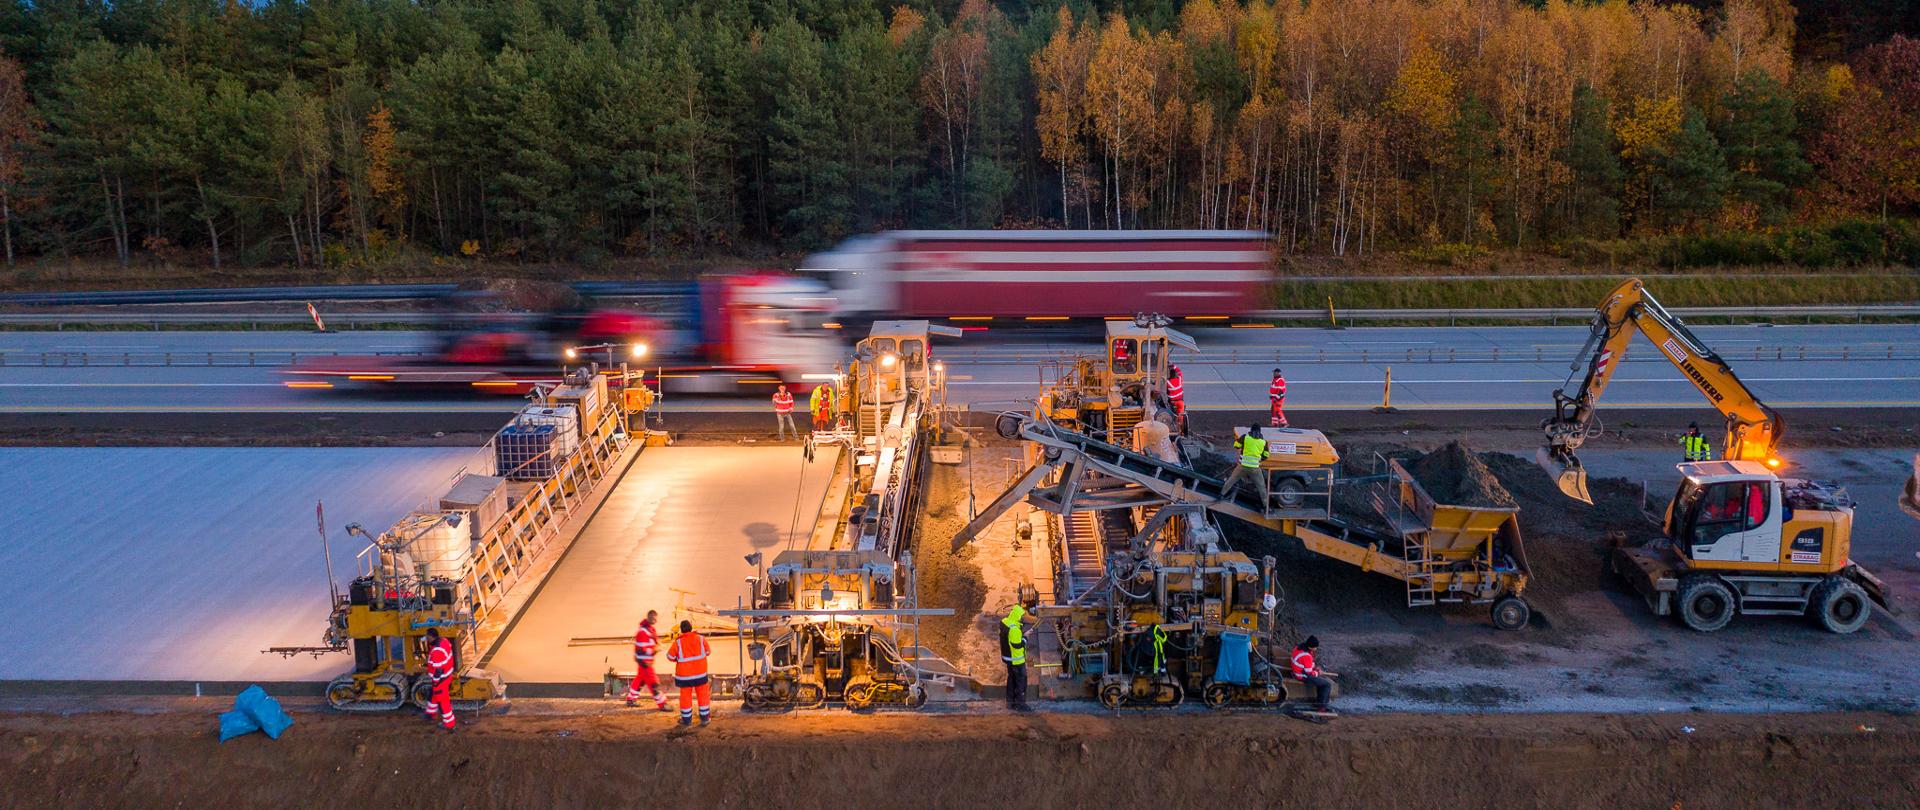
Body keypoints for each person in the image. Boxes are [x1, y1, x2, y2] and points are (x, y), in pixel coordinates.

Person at [666, 620, 713, 726]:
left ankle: (687, 720)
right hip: (700, 675)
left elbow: (670, 656)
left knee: (685, 697)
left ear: (681, 630)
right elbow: (708, 652)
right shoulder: (701, 639)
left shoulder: (678, 642)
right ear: (691, 628)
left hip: (685, 677)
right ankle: (705, 719)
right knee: (703, 695)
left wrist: (677, 659)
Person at [624, 610, 669, 711]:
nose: (655, 621)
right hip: (645, 662)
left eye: (656, 619)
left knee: (639, 680)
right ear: (649, 617)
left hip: (644, 661)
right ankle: (663, 704)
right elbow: (642, 650)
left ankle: (631, 699)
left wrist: (659, 645)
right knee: (654, 683)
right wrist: (655, 650)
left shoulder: (649, 629)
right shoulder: (644, 632)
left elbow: (652, 642)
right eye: (653, 618)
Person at [1220, 424, 1268, 502]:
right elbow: (1266, 455)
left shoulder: (1245, 437)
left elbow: (1236, 446)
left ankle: (1221, 495)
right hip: (1255, 469)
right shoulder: (1263, 442)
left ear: (1251, 430)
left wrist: (1243, 446)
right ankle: (1266, 506)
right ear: (1260, 431)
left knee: (1231, 480)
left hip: (1242, 466)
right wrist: (1259, 460)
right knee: (1261, 487)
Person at [422, 628, 457, 732]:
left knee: (443, 702)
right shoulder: (443, 641)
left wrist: (436, 682)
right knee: (433, 695)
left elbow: (438, 670)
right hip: (447, 675)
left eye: (427, 636)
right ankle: (430, 713)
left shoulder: (437, 651)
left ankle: (450, 725)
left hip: (440, 680)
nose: (426, 638)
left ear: (430, 637)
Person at [1000, 604, 1032, 712]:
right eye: (1022, 617)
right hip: (1016, 660)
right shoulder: (1015, 629)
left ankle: (1010, 702)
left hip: (1008, 658)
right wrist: (1025, 637)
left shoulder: (1006, 622)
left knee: (1011, 679)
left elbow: (1011, 639)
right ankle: (1020, 704)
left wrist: (1022, 634)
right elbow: (1017, 645)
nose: (1023, 619)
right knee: (1021, 681)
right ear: (1018, 617)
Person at [1290, 634, 1335, 711]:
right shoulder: (1306, 655)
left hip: (1297, 670)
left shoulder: (1299, 647)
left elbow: (1307, 664)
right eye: (1316, 647)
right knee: (1326, 685)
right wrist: (1317, 673)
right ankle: (1321, 707)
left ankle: (1319, 702)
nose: (1316, 649)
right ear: (1311, 647)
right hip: (1301, 675)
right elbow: (1309, 673)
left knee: (1320, 682)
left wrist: (1315, 668)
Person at [1166, 364, 1186, 435]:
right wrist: (1174, 366)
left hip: (1172, 402)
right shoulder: (1179, 379)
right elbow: (1179, 371)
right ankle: (1180, 428)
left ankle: (1170, 425)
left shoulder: (1168, 382)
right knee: (1181, 415)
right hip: (1180, 401)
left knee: (1170, 413)